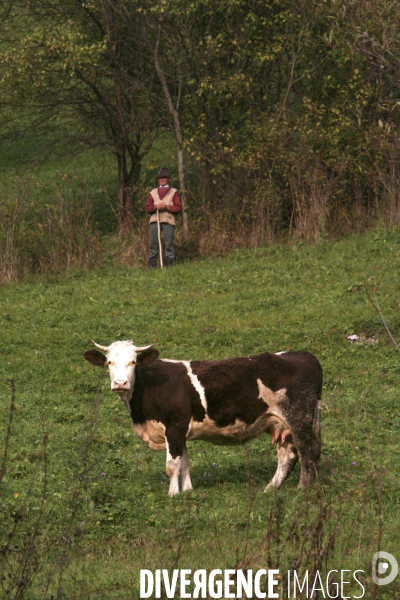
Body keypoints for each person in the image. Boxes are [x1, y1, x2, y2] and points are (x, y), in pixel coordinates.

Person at [146, 167, 182, 268]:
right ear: (158, 179)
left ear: (167, 178)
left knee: (169, 243)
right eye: (160, 178)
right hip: (154, 220)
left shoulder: (173, 192)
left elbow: (178, 208)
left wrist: (166, 206)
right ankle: (152, 266)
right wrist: (155, 207)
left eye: (164, 177)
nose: (162, 179)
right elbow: (148, 208)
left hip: (168, 220)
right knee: (153, 243)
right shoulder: (153, 192)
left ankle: (169, 265)